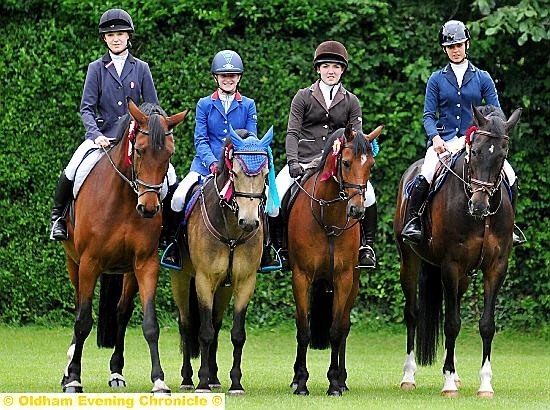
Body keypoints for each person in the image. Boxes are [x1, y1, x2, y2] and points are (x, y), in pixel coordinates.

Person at [49, 8, 179, 241]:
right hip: (103, 137)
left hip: (135, 138)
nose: (116, 38)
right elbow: (86, 108)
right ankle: (57, 218)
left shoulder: (141, 68)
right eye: (111, 35)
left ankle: (167, 228)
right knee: (73, 167)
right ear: (104, 39)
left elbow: (154, 108)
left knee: (169, 175)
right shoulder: (95, 68)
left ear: (128, 36)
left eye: (120, 33)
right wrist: (95, 134)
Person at [402, 20, 525, 246]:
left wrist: (492, 133)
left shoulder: (483, 77)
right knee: (426, 172)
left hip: (476, 140)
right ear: (444, 49)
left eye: (459, 45)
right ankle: (413, 222)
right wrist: (435, 138)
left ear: (467, 44)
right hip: (446, 141)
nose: (455, 50)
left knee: (511, 175)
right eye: (451, 46)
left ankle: (511, 225)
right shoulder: (436, 79)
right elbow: (429, 115)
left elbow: (495, 112)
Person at [265, 40, 378, 270]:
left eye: (336, 67)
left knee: (371, 196)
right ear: (318, 69)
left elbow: (356, 138)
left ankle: (367, 247)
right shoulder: (303, 97)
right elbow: (292, 133)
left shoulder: (351, 101)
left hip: (338, 165)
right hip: (305, 160)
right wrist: (292, 161)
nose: (331, 71)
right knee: (275, 201)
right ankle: (279, 248)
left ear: (342, 70)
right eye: (326, 66)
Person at [163, 50, 258, 269]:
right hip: (205, 167)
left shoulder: (248, 105)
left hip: (237, 168)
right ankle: (173, 247)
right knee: (177, 198)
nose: (228, 79)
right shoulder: (204, 104)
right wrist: (213, 163)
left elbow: (251, 138)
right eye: (224, 75)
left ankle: (266, 251)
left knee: (262, 202)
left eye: (232, 75)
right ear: (216, 77)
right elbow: (201, 139)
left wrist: (237, 163)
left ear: (239, 77)